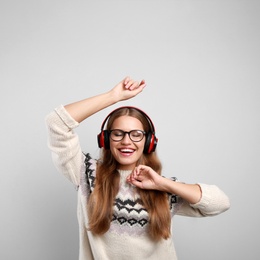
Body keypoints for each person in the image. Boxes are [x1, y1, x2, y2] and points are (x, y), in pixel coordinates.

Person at [45, 76, 230, 260]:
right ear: (106, 140)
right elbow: (57, 123)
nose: (127, 141)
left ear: (149, 142)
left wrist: (163, 184)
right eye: (118, 134)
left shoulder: (161, 187)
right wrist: (113, 96)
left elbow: (220, 203)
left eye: (136, 134)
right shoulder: (86, 174)